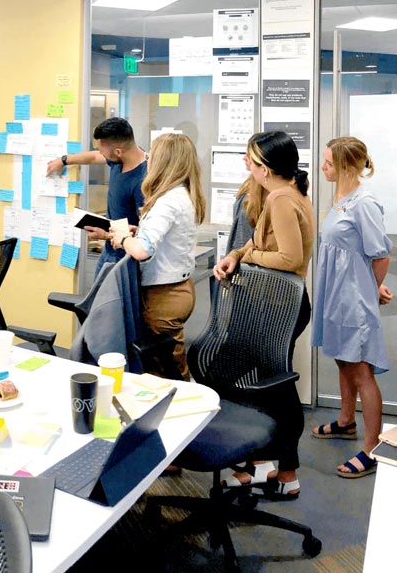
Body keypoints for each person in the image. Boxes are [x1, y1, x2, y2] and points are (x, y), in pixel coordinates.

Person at [213, 131, 314, 500]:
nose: (248, 166)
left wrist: (249, 257)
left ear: (266, 169)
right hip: (277, 305)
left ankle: (285, 472)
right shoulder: (286, 193)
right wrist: (237, 254)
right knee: (265, 384)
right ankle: (263, 466)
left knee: (276, 387)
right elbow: (261, 242)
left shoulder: (281, 199)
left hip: (277, 307)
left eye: (252, 161)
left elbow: (289, 258)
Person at [309, 137, 391, 478]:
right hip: (336, 294)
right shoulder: (341, 198)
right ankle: (346, 421)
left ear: (344, 166)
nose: (322, 167)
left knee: (360, 370)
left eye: (328, 163)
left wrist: (371, 289)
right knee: (343, 359)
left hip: (354, 300)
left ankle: (371, 448)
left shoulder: (364, 203)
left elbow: (380, 255)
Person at [110, 133, 204, 380]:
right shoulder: (181, 194)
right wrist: (136, 233)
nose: (147, 159)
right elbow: (161, 239)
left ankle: (186, 404)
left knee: (168, 370)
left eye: (151, 155)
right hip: (179, 288)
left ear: (163, 162)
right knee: (166, 363)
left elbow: (142, 251)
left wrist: (123, 239)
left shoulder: (168, 202)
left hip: (164, 295)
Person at [46, 117, 148, 276]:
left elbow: (143, 232)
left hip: (126, 257)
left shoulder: (143, 181)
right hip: (109, 251)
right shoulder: (120, 159)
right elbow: (93, 157)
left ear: (118, 152)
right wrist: (64, 160)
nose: (101, 154)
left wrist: (105, 235)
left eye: (102, 151)